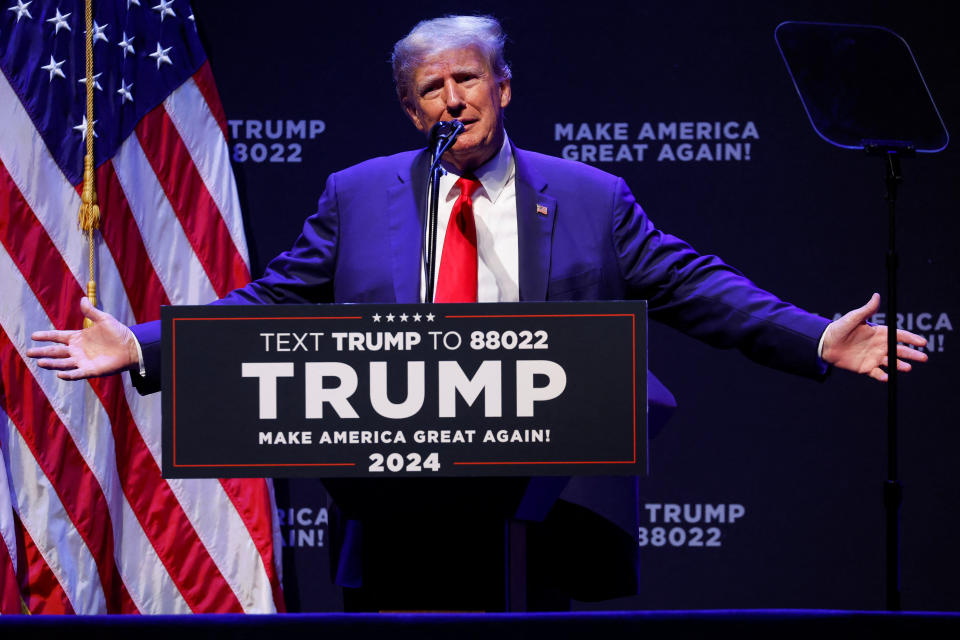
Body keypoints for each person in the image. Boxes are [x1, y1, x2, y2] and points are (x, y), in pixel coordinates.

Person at [28, 15, 927, 610]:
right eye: (431, 88)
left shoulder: (589, 196)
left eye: (467, 78)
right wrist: (146, 344)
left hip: (553, 519)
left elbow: (695, 286)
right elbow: (270, 301)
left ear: (503, 87)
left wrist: (813, 337)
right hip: (396, 515)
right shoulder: (358, 195)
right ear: (409, 105)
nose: (451, 98)